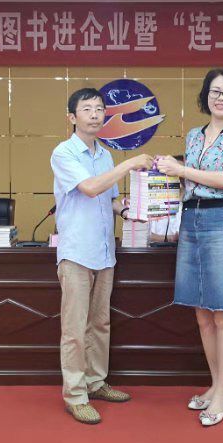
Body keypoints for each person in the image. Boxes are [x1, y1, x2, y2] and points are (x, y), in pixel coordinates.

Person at [156, 68, 223, 427]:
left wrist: (181, 170)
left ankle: (222, 390)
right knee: (201, 313)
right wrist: (155, 186)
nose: (220, 98)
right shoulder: (194, 135)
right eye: (215, 91)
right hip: (192, 220)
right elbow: (186, 185)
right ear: (205, 96)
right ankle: (216, 385)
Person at [51, 87, 154, 425]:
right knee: (74, 328)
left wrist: (129, 211)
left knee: (100, 323)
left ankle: (95, 383)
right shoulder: (64, 152)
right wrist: (130, 164)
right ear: (72, 117)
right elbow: (90, 188)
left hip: (104, 250)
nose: (95, 114)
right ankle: (75, 396)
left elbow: (108, 198)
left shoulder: (105, 155)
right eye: (87, 109)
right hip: (77, 252)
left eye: (99, 109)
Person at [149, 155, 184, 243]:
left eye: (180, 174)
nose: (177, 177)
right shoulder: (153, 203)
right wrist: (170, 238)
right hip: (155, 250)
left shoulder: (191, 205)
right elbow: (147, 235)